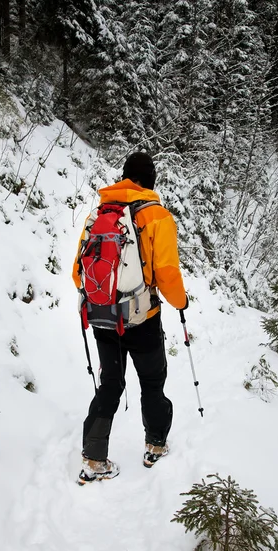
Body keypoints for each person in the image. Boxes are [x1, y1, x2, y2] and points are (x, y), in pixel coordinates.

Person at [72, 152, 188, 484]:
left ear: (124, 177)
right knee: (152, 382)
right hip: (142, 318)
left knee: (111, 383)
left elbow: (77, 272)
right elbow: (166, 273)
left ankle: (93, 459)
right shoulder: (156, 216)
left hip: (102, 316)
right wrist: (181, 302)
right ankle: (155, 445)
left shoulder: (98, 214)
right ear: (150, 180)